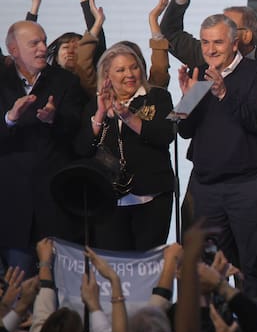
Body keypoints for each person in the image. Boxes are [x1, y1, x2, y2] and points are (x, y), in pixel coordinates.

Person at [177, 12, 257, 297]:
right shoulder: (199, 74)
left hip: (247, 187)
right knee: (204, 268)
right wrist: (186, 99)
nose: (210, 50)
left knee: (251, 268)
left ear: (234, 43)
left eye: (217, 42)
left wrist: (223, 93)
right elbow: (183, 130)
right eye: (205, 43)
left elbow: (256, 122)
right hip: (206, 188)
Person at [1, 20, 85, 273]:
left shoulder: (65, 81)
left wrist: (53, 118)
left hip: (55, 203)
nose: (42, 48)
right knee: (18, 291)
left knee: (60, 288)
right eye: (34, 43)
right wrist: (10, 119)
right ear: (13, 50)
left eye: (44, 41)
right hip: (13, 207)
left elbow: (76, 126)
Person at [74, 42, 175, 251]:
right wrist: (101, 114)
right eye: (121, 70)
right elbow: (83, 149)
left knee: (147, 267)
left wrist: (129, 117)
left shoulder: (157, 97)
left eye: (134, 67)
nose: (129, 74)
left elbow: (164, 135)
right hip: (108, 202)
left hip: (151, 198)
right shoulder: (94, 105)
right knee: (114, 268)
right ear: (107, 75)